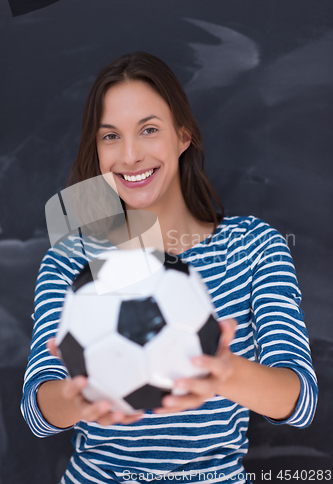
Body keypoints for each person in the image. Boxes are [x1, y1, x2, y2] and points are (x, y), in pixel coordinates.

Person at [21, 52, 318, 484]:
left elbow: (301, 400)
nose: (129, 155)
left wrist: (224, 370)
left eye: (149, 130)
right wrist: (78, 399)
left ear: (183, 136)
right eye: (110, 137)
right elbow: (37, 411)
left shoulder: (254, 247)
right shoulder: (71, 259)